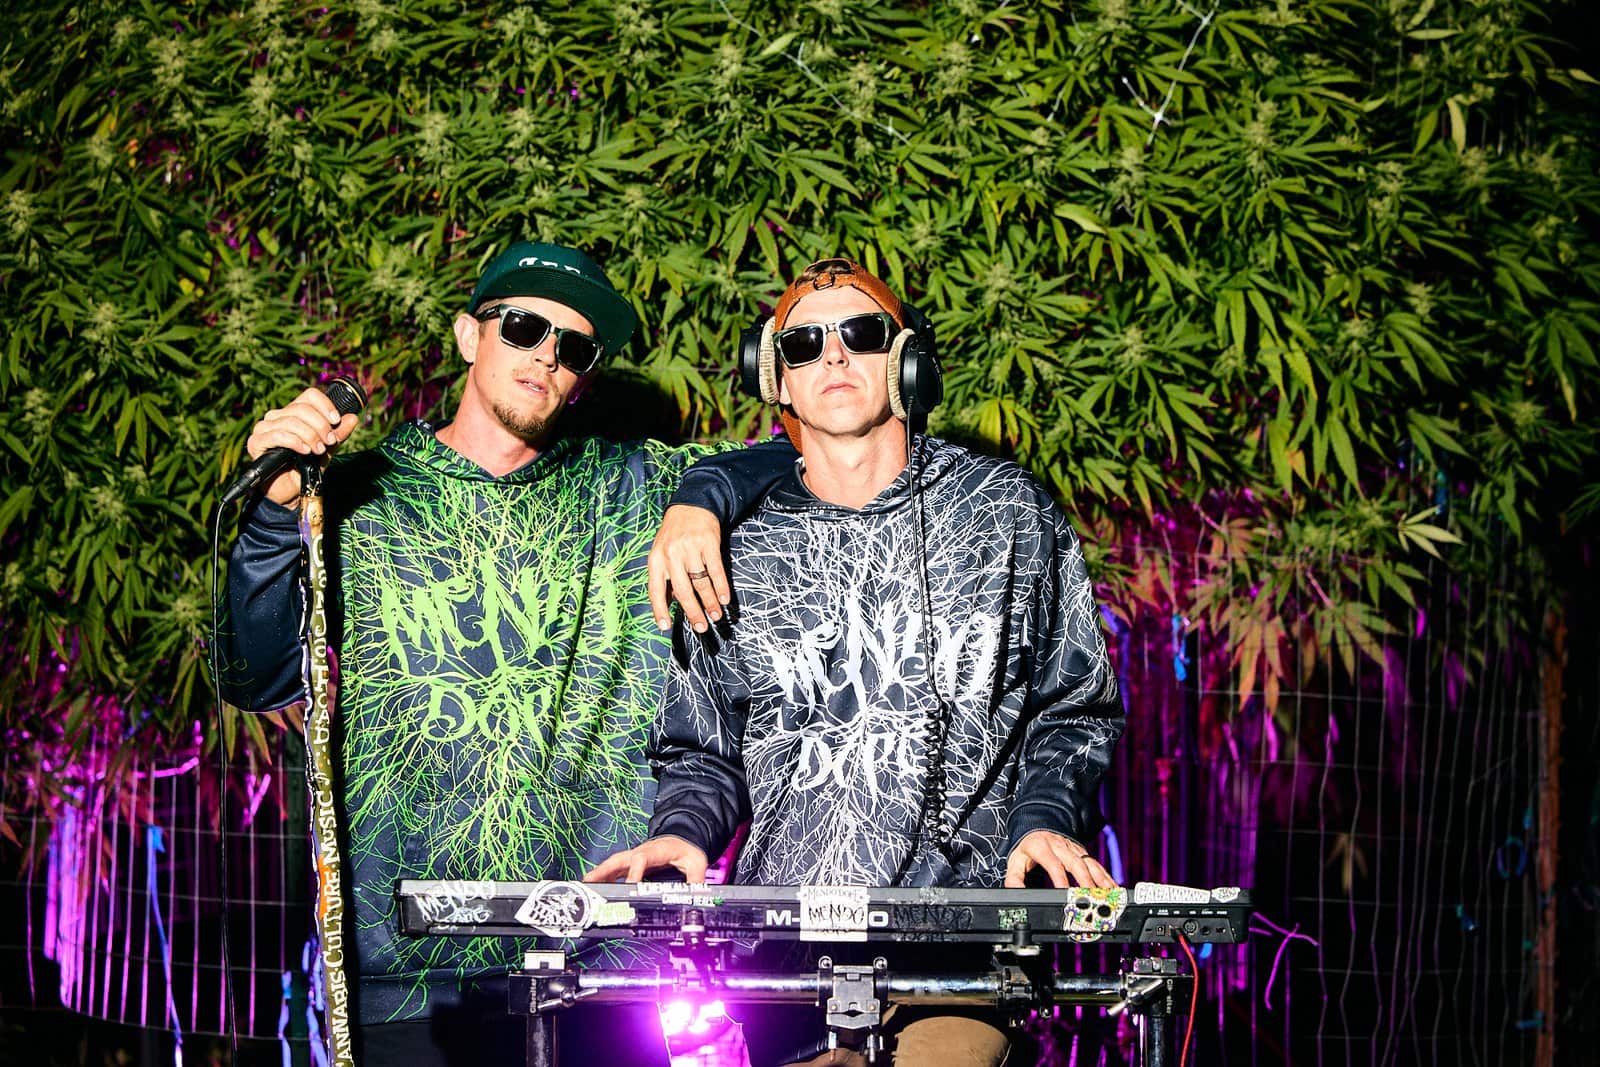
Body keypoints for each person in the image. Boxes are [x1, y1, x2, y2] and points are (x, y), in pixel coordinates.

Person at [217, 240, 792, 1066]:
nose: (546, 355)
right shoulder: (364, 495)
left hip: (599, 970)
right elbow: (254, 674)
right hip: (409, 974)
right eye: (523, 327)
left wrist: (705, 496)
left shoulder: (632, 488)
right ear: (467, 335)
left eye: (574, 347)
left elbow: (811, 456)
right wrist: (276, 514)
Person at [587, 258, 1126, 1067]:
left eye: (861, 334)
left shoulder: (1006, 511)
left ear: (907, 362)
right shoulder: (732, 545)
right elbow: (704, 748)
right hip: (783, 966)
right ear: (777, 379)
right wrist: (681, 832)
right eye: (804, 344)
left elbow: (1073, 702)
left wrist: (1044, 815)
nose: (833, 356)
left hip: (957, 951)